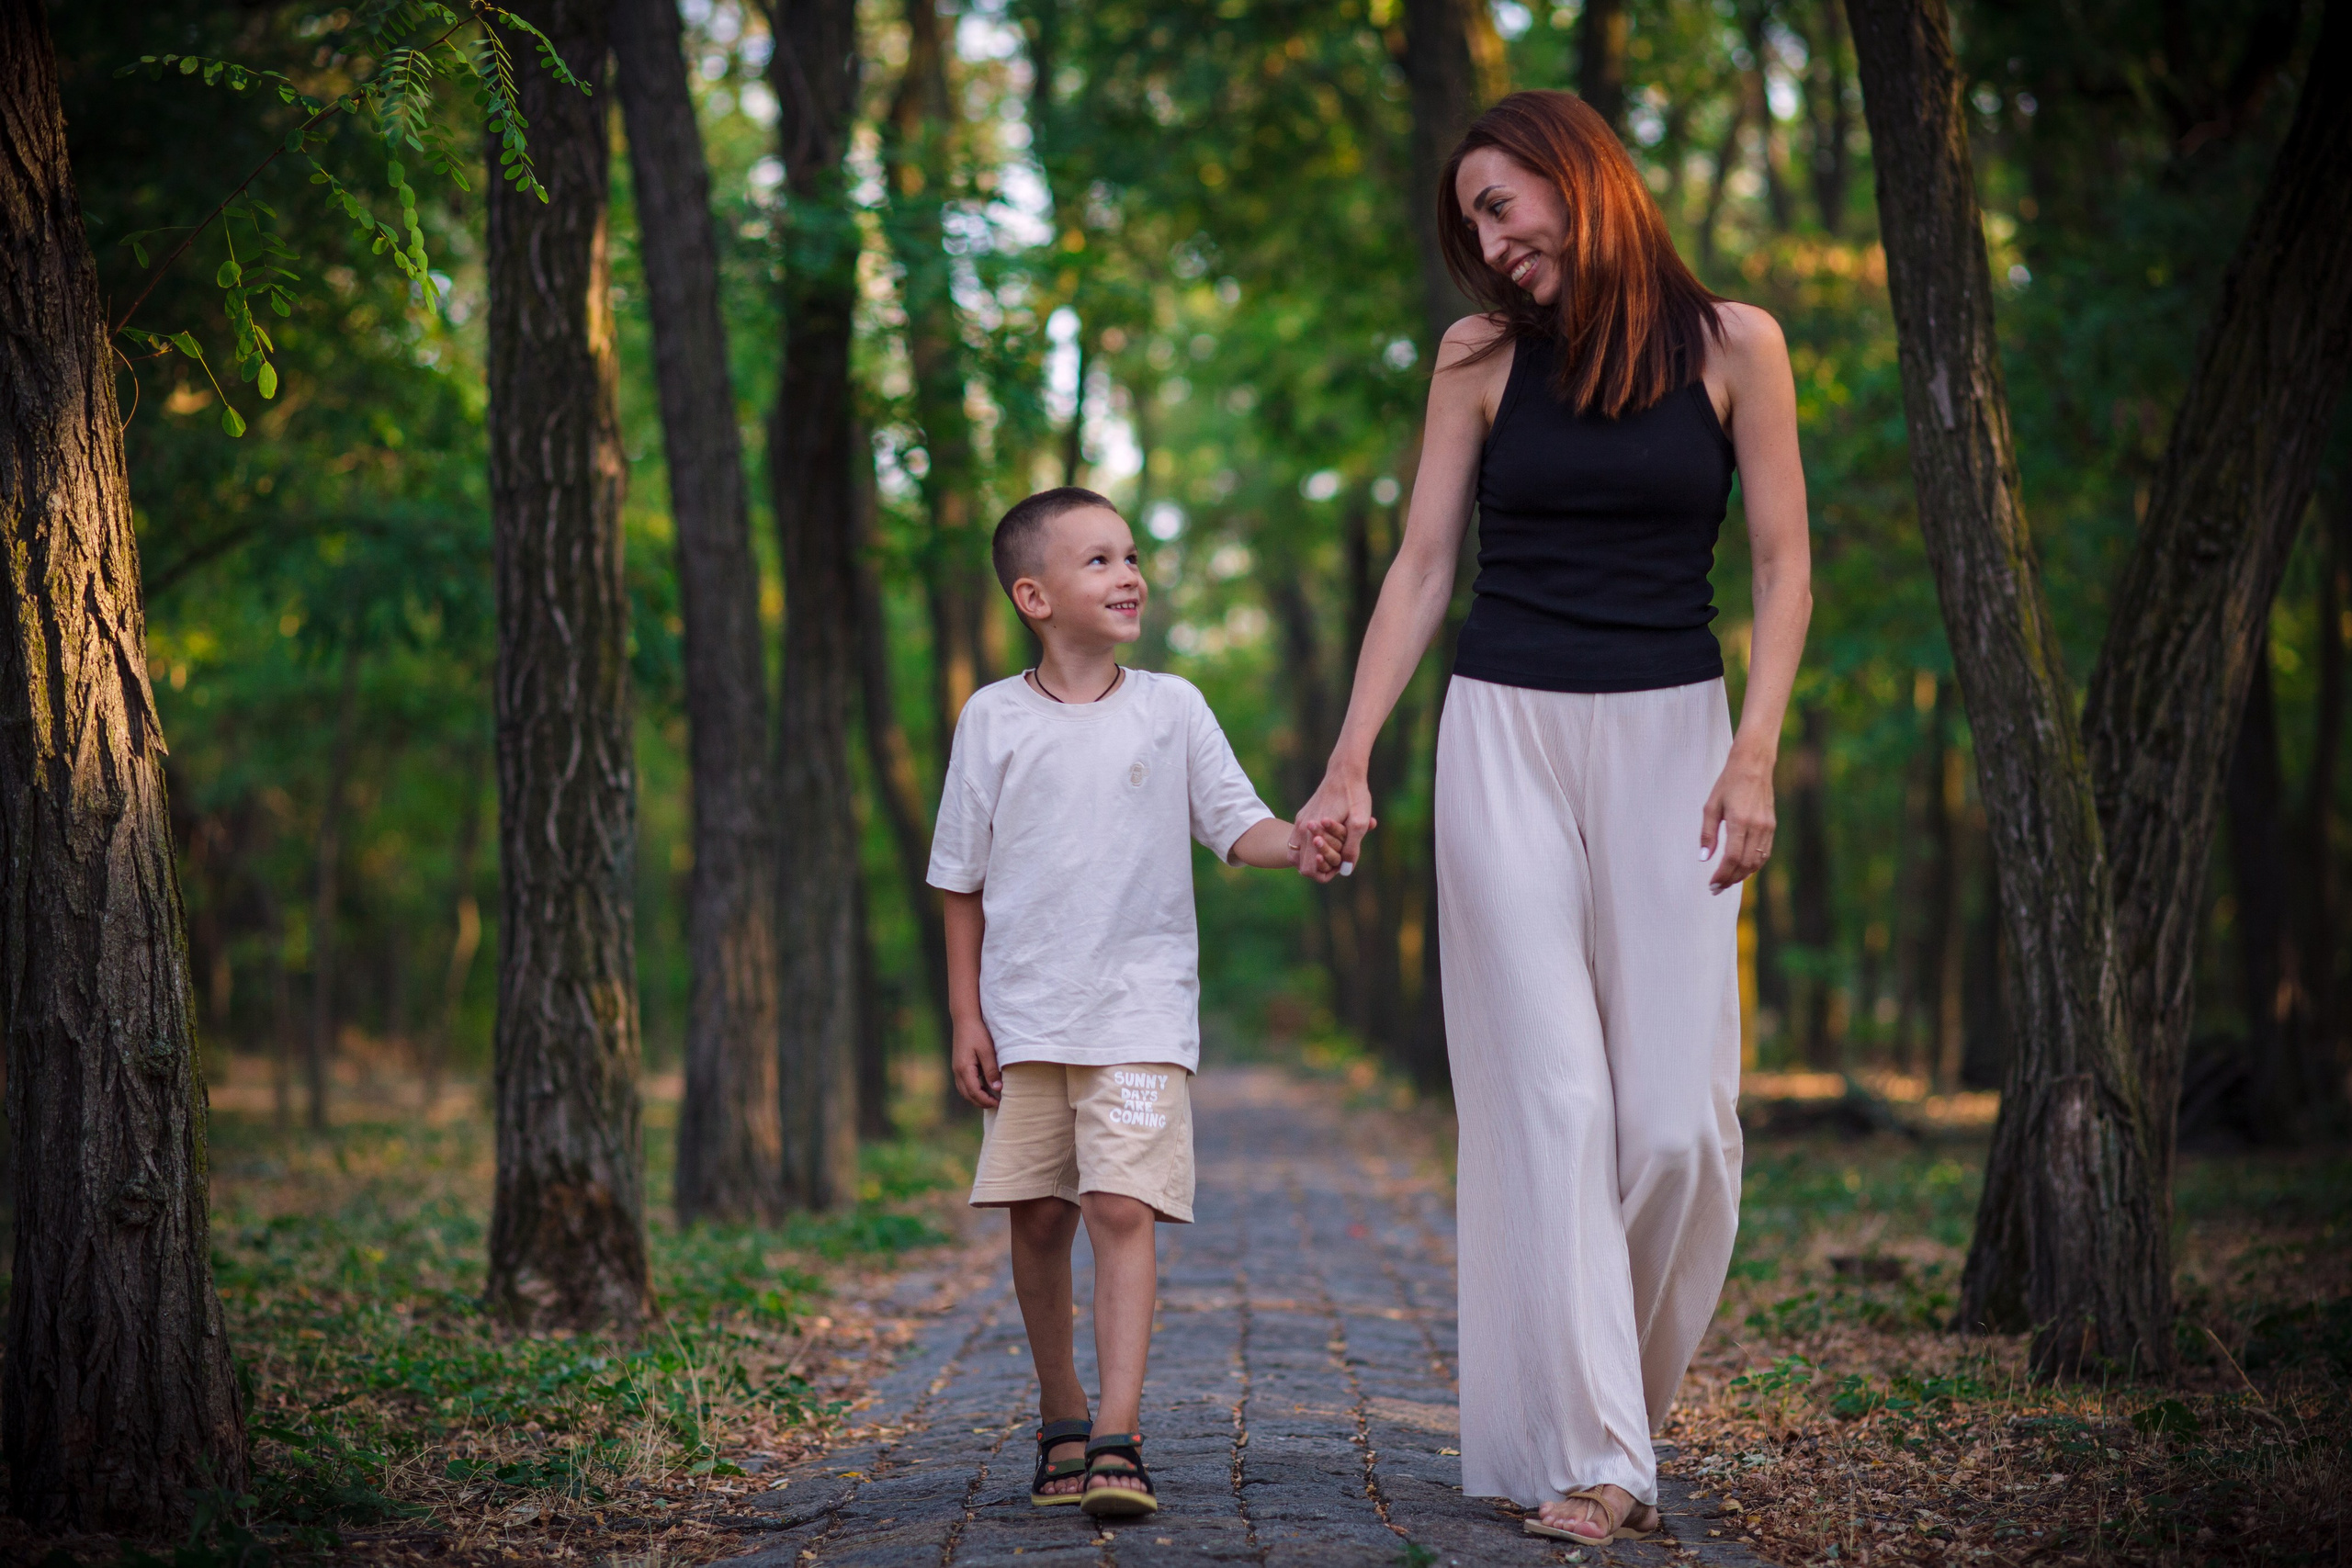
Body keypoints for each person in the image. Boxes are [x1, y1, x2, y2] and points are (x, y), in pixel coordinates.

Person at [1291, 91, 1812, 1546]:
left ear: (1578, 180)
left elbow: (1782, 565)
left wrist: (1755, 749)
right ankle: (1598, 1456)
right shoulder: (1475, 362)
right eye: (1472, 223)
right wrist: (1348, 759)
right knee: (1556, 1107)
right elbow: (1419, 567)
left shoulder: (1737, 345)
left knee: (1677, 1132)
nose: (1491, 242)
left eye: (1502, 205)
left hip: (1676, 741)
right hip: (1502, 732)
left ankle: (1604, 1414)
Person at [930, 486, 1342, 1519]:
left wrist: (1302, 841)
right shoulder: (992, 718)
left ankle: (1118, 1436)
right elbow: (957, 880)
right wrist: (966, 1016)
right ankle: (1062, 1414)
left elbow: (1236, 823)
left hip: (1142, 1011)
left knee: (1119, 1205)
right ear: (1034, 595)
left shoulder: (1173, 706)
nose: (1127, 575)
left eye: (1129, 554)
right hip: (1028, 1014)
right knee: (1036, 1218)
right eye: (1098, 561)